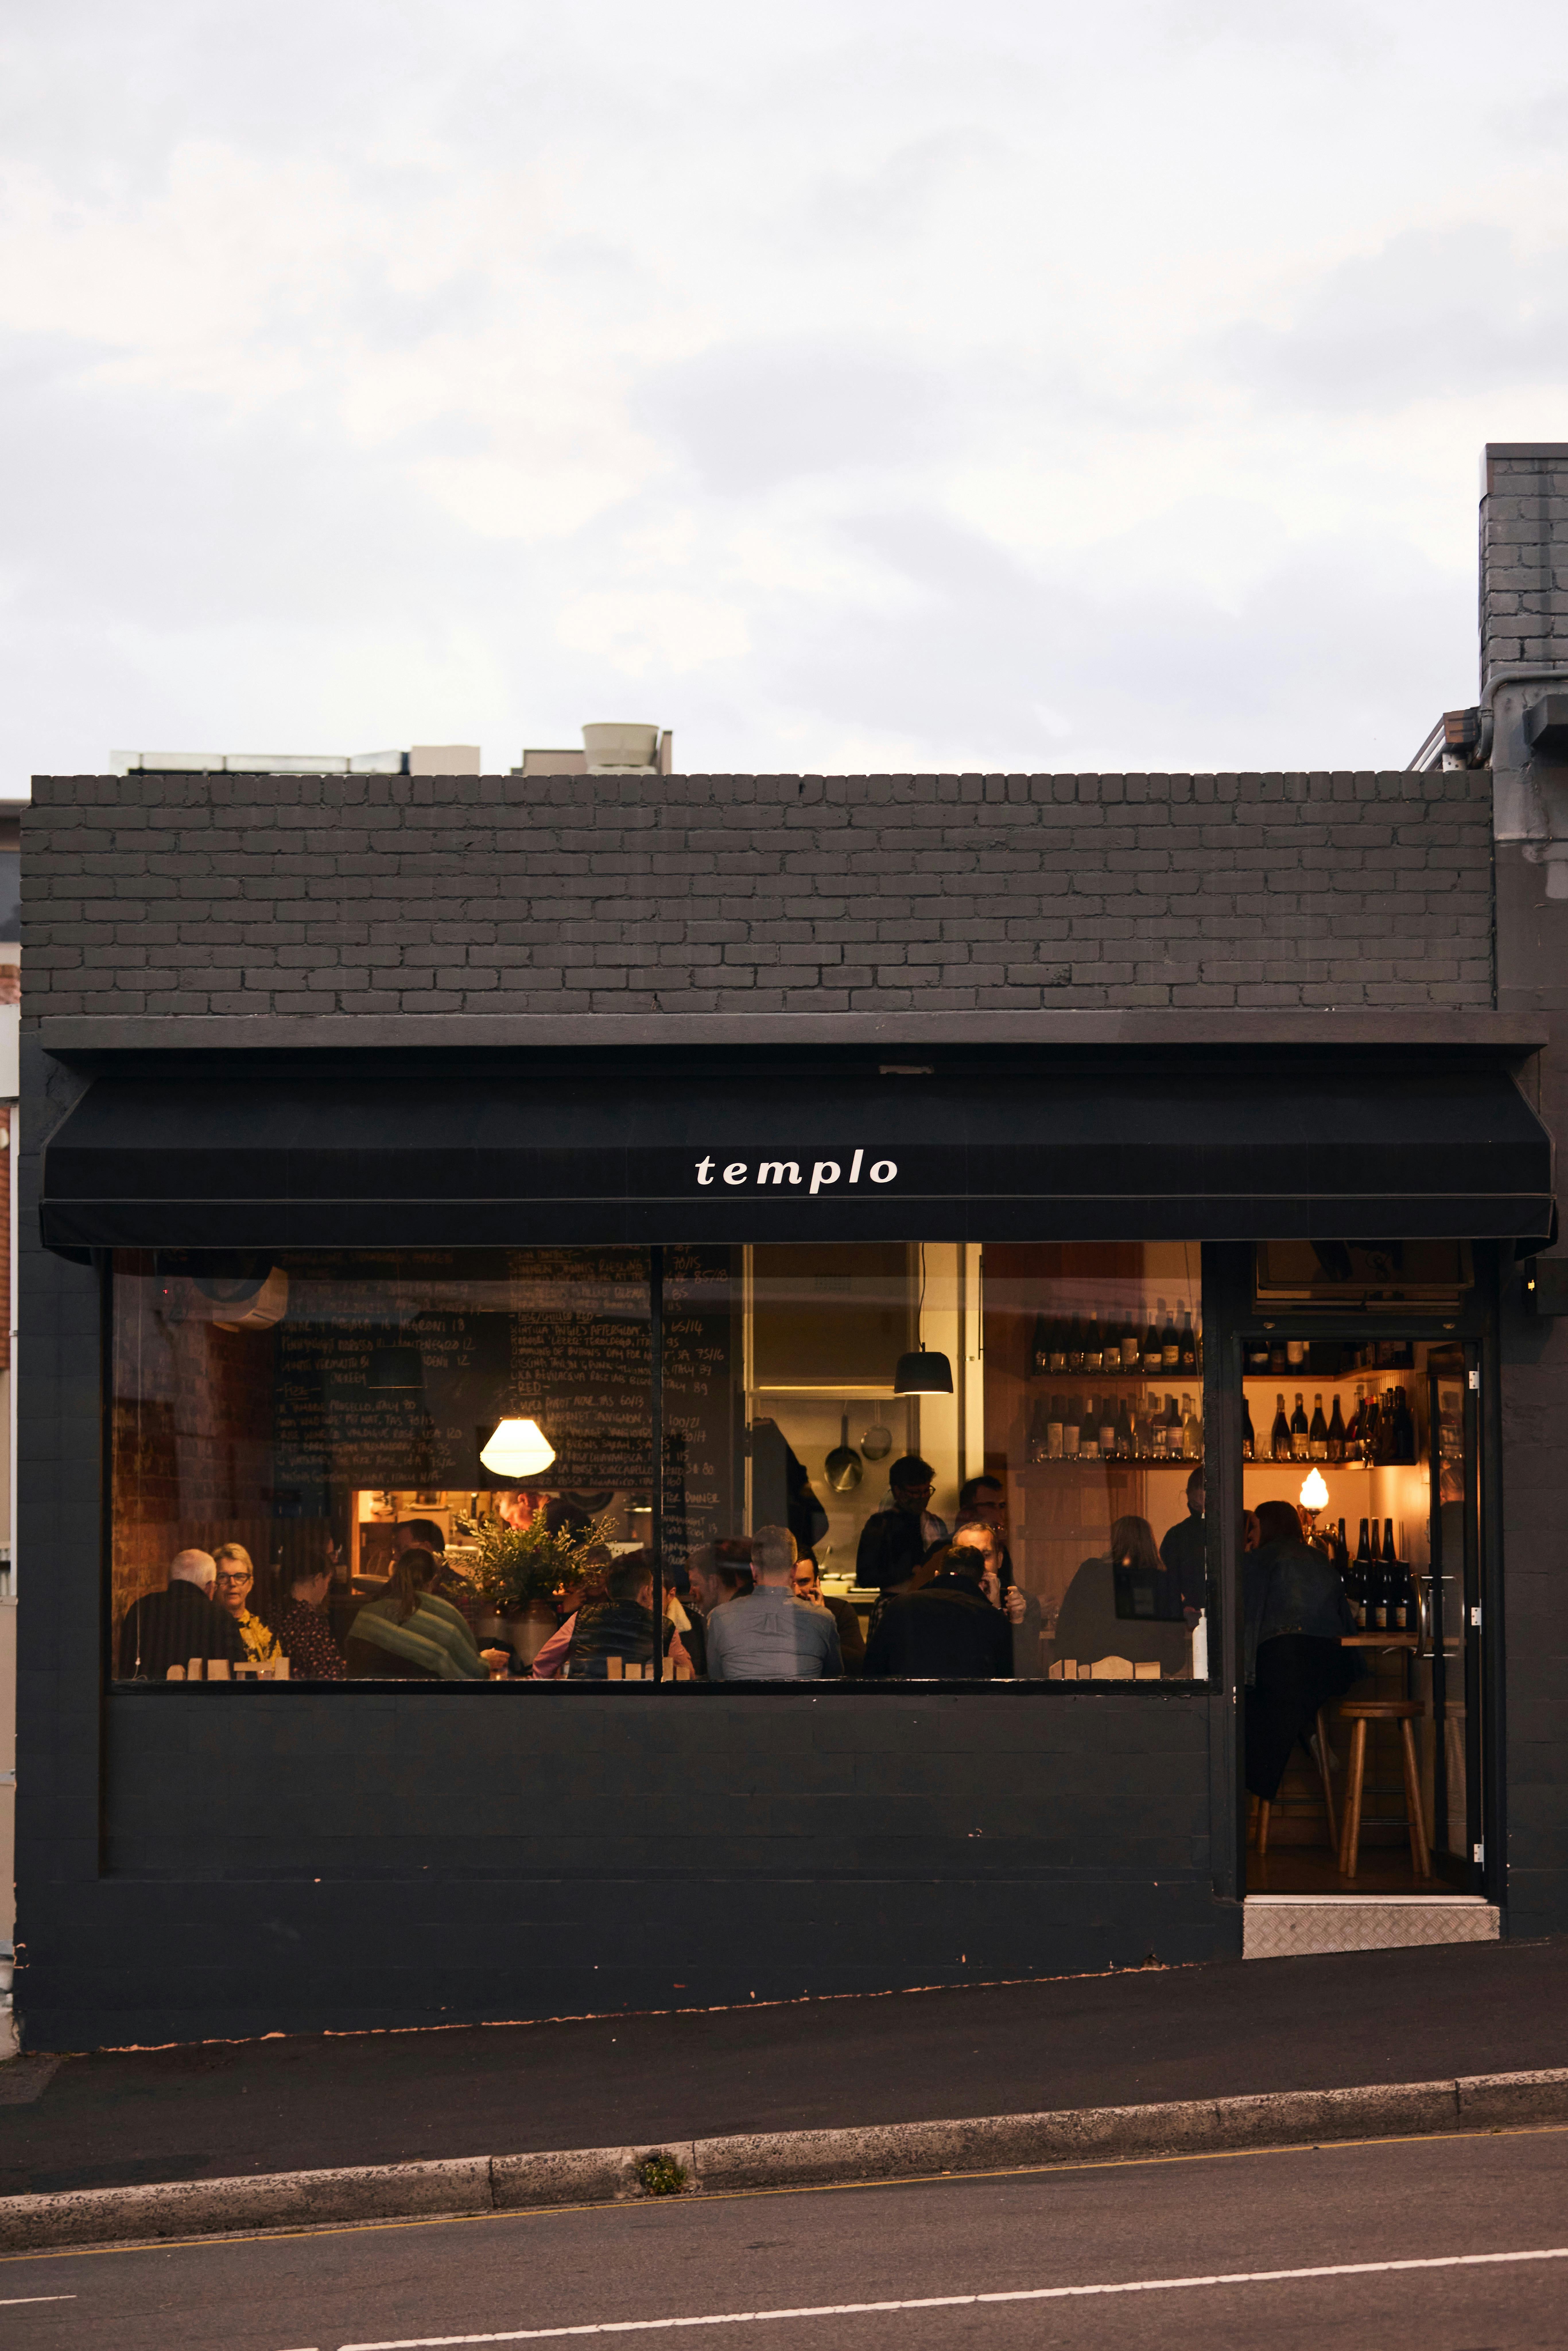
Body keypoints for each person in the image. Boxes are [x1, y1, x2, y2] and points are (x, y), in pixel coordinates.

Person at [1244, 1497, 1359, 1805]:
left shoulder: (1258, 1560)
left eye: (1253, 1526)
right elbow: (1346, 1621)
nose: (1249, 1534)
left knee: (1247, 1702)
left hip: (1281, 1663)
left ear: (1267, 1525)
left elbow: (1242, 1615)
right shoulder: (1319, 1558)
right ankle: (1310, 1735)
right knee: (1289, 1697)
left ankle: (1257, 1790)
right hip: (1330, 1668)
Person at [1052, 1514, 1189, 1678]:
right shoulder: (1163, 1581)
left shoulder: (1090, 1572)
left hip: (1091, 1680)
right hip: (1145, 1683)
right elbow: (1175, 1658)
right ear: (1150, 1543)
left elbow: (1065, 1630)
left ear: (1114, 1542)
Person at [862, 1536, 1015, 1679]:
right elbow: (1006, 1679)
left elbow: (873, 1669)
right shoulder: (990, 1617)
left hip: (906, 1705)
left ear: (937, 1575)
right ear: (982, 1581)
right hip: (969, 1706)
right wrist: (996, 1607)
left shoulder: (901, 1605)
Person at [705, 1526, 841, 1681]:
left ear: (754, 1570)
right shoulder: (823, 1618)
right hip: (801, 1705)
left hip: (743, 1705)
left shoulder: (720, 1618)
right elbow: (834, 1681)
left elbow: (715, 1680)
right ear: (794, 1570)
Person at [346, 1547, 488, 1680]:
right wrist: (485, 1661)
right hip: (423, 1704)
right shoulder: (447, 1616)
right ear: (433, 1581)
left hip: (365, 1701)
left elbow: (352, 1665)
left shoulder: (368, 1614)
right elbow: (473, 1672)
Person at [117, 1549, 247, 1680]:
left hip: (144, 1699)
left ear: (171, 1579)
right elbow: (238, 1674)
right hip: (202, 1699)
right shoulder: (220, 1617)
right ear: (209, 1587)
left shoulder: (142, 1609)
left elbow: (127, 1667)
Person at [566, 1548, 675, 1679]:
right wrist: (563, 1610)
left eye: (600, 1571)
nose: (594, 1579)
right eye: (587, 1572)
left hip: (588, 1697)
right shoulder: (579, 1615)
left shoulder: (580, 1617)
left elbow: (543, 1666)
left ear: (608, 1586)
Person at [854, 1456, 949, 1598]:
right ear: (897, 1491)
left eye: (926, 1491)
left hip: (930, 1600)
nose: (922, 1498)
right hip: (894, 1601)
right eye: (915, 1493)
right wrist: (910, 1571)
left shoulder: (936, 1523)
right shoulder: (881, 1524)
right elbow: (865, 1578)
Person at [271, 1558, 348, 1681]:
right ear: (317, 1580)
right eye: (328, 1582)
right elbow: (327, 1674)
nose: (326, 1590)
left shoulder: (275, 1612)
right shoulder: (310, 1621)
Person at [791, 1554, 866, 1674]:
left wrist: (823, 1623)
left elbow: (858, 1664)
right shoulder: (775, 1611)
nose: (797, 1592)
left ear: (817, 1582)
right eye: (790, 1583)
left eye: (804, 1582)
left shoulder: (840, 1610)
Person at [211, 1543, 281, 1667]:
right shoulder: (202, 1630)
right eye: (223, 1577)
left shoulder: (265, 1633)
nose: (232, 1583)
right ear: (213, 1584)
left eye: (240, 1577)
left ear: (250, 1584)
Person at [1159, 1467, 1208, 1627]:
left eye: (1207, 1505)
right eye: (1196, 1505)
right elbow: (1170, 1587)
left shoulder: (1177, 1535)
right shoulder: (1177, 1536)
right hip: (1193, 1616)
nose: (1203, 1512)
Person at [956, 1476, 1016, 1587]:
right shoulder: (945, 1547)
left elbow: (1004, 1585)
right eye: (990, 1506)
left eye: (1002, 1506)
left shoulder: (999, 1546)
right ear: (967, 1510)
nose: (999, 1513)